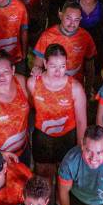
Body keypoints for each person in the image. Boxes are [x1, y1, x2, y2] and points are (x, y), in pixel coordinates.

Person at [28, 44, 88, 181]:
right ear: (45, 63)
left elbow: (81, 121)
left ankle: (61, 202)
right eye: (53, 66)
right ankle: (46, 202)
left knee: (65, 175)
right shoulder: (33, 83)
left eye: (62, 66)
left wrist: (80, 148)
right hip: (42, 136)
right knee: (43, 174)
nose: (58, 71)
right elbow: (31, 106)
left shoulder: (75, 88)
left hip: (67, 136)